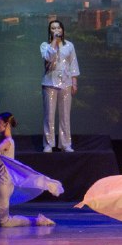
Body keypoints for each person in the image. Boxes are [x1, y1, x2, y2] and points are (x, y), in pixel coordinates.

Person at [40, 19, 80, 153]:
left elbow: (73, 63)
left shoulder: (69, 46)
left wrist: (74, 82)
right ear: (50, 31)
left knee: (65, 115)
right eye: (53, 28)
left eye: (58, 28)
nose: (56, 30)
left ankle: (65, 144)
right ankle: (48, 144)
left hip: (66, 83)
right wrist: (54, 42)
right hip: (49, 83)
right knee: (49, 116)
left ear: (62, 30)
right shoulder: (45, 46)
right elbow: (49, 58)